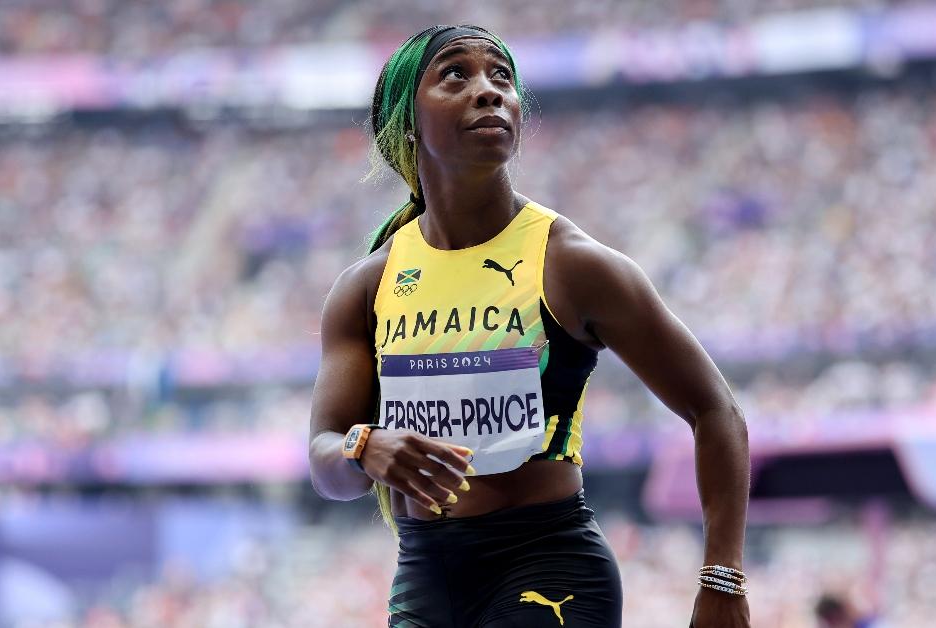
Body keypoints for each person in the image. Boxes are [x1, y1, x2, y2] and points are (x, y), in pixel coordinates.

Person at [308, 24, 751, 628]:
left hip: (548, 567)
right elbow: (326, 464)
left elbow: (715, 410)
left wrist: (722, 579)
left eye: (502, 77)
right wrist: (363, 447)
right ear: (406, 122)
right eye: (455, 75)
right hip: (425, 579)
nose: (489, 90)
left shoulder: (570, 263)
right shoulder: (367, 286)